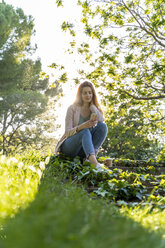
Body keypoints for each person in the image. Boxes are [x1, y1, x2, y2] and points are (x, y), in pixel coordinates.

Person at [55, 81, 107, 169]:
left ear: (93, 94)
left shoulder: (93, 108)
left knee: (103, 126)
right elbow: (67, 132)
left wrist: (93, 107)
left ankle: (88, 158)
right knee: (85, 131)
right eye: (85, 93)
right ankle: (94, 163)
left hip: (83, 149)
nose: (88, 95)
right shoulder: (72, 108)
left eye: (90, 93)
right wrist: (83, 126)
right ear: (80, 95)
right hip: (69, 146)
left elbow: (101, 120)